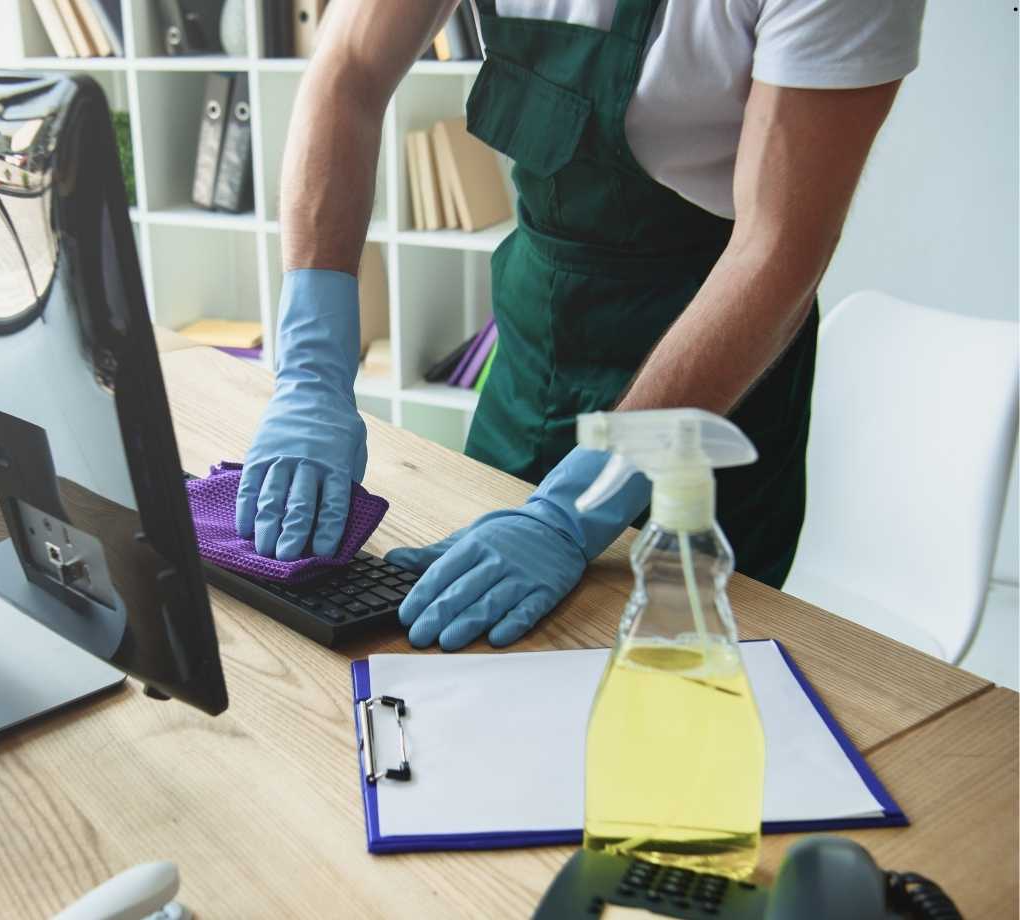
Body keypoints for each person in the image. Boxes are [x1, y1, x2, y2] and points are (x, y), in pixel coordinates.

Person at [237, 0, 925, 650]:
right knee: (454, 661)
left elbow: (777, 250)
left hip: (708, 376)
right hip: (534, 346)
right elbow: (347, 70)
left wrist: (580, 506)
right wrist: (311, 371)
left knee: (667, 692)